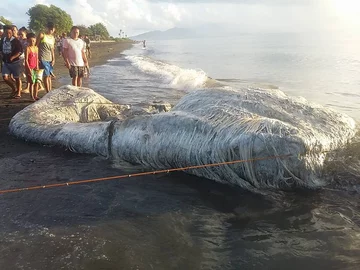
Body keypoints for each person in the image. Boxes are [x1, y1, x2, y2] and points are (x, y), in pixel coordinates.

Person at [0, 25, 23, 98]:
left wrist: (13, 57)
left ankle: (19, 92)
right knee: (5, 77)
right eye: (6, 33)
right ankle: (13, 88)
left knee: (17, 78)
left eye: (10, 33)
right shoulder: (2, 40)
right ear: (4, 33)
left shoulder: (15, 40)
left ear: (12, 33)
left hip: (15, 62)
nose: (8, 34)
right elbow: (0, 49)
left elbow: (20, 51)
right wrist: (1, 54)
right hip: (6, 62)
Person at [37, 22, 55, 92]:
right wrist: (37, 58)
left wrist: (53, 59)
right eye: (49, 28)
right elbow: (36, 46)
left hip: (49, 59)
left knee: (49, 76)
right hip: (42, 58)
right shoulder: (42, 35)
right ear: (46, 28)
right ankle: (48, 92)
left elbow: (52, 50)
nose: (51, 30)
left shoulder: (53, 38)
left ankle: (50, 91)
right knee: (46, 75)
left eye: (52, 29)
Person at [25, 33, 40, 100]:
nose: (32, 42)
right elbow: (26, 60)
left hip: (35, 67)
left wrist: (37, 66)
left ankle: (35, 95)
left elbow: (37, 58)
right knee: (31, 82)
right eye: (30, 41)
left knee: (37, 82)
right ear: (28, 41)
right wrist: (28, 69)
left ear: (35, 40)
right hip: (30, 67)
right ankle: (32, 96)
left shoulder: (36, 48)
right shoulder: (27, 49)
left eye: (33, 41)